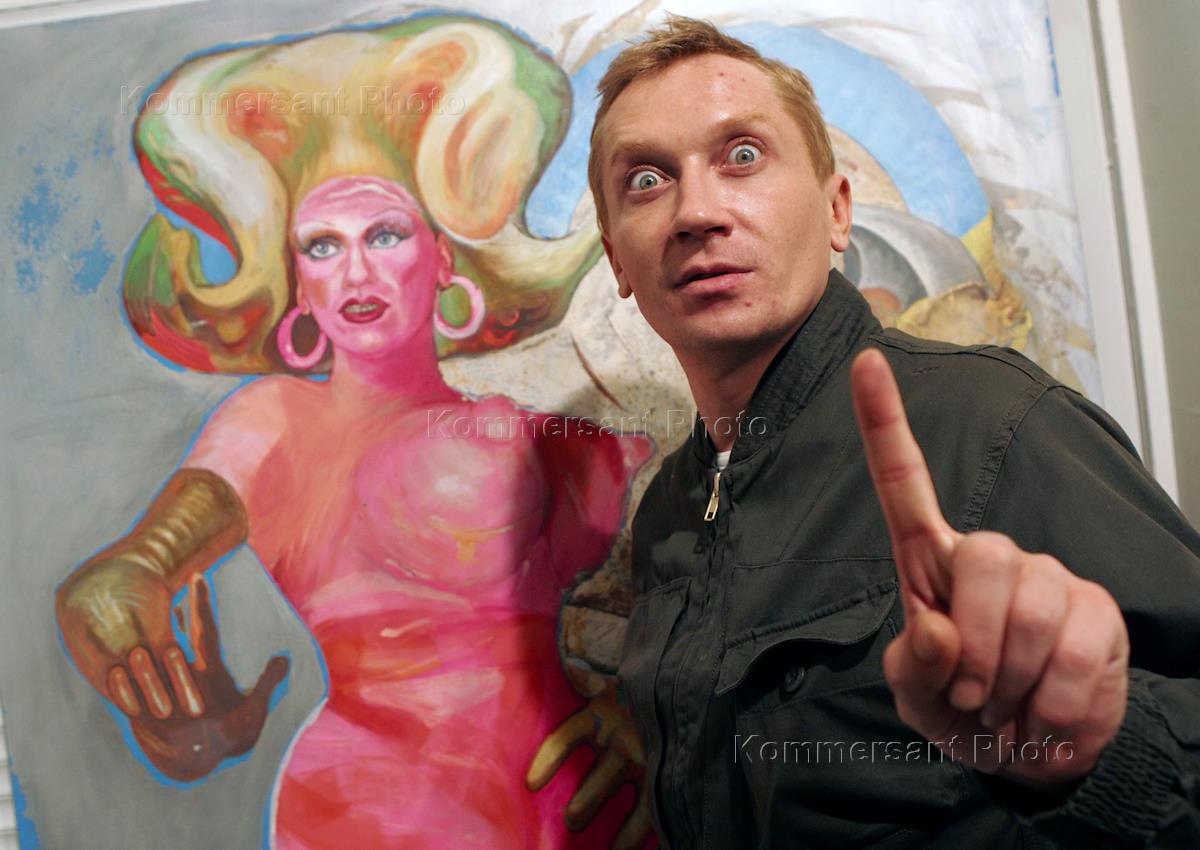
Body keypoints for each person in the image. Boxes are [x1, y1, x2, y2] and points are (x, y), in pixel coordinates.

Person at [588, 15, 1200, 849]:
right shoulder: (668, 509)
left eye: (743, 156)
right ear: (617, 260)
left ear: (837, 211)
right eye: (647, 179)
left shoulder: (992, 423)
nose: (696, 210)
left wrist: (1098, 755)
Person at [55, 17, 654, 850]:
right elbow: (138, 569)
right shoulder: (277, 421)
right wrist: (125, 612)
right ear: (297, 285)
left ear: (444, 262)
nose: (357, 272)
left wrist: (659, 710)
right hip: (352, 818)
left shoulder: (552, 436)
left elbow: (727, 587)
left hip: (574, 814)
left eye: (385, 234)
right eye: (322, 247)